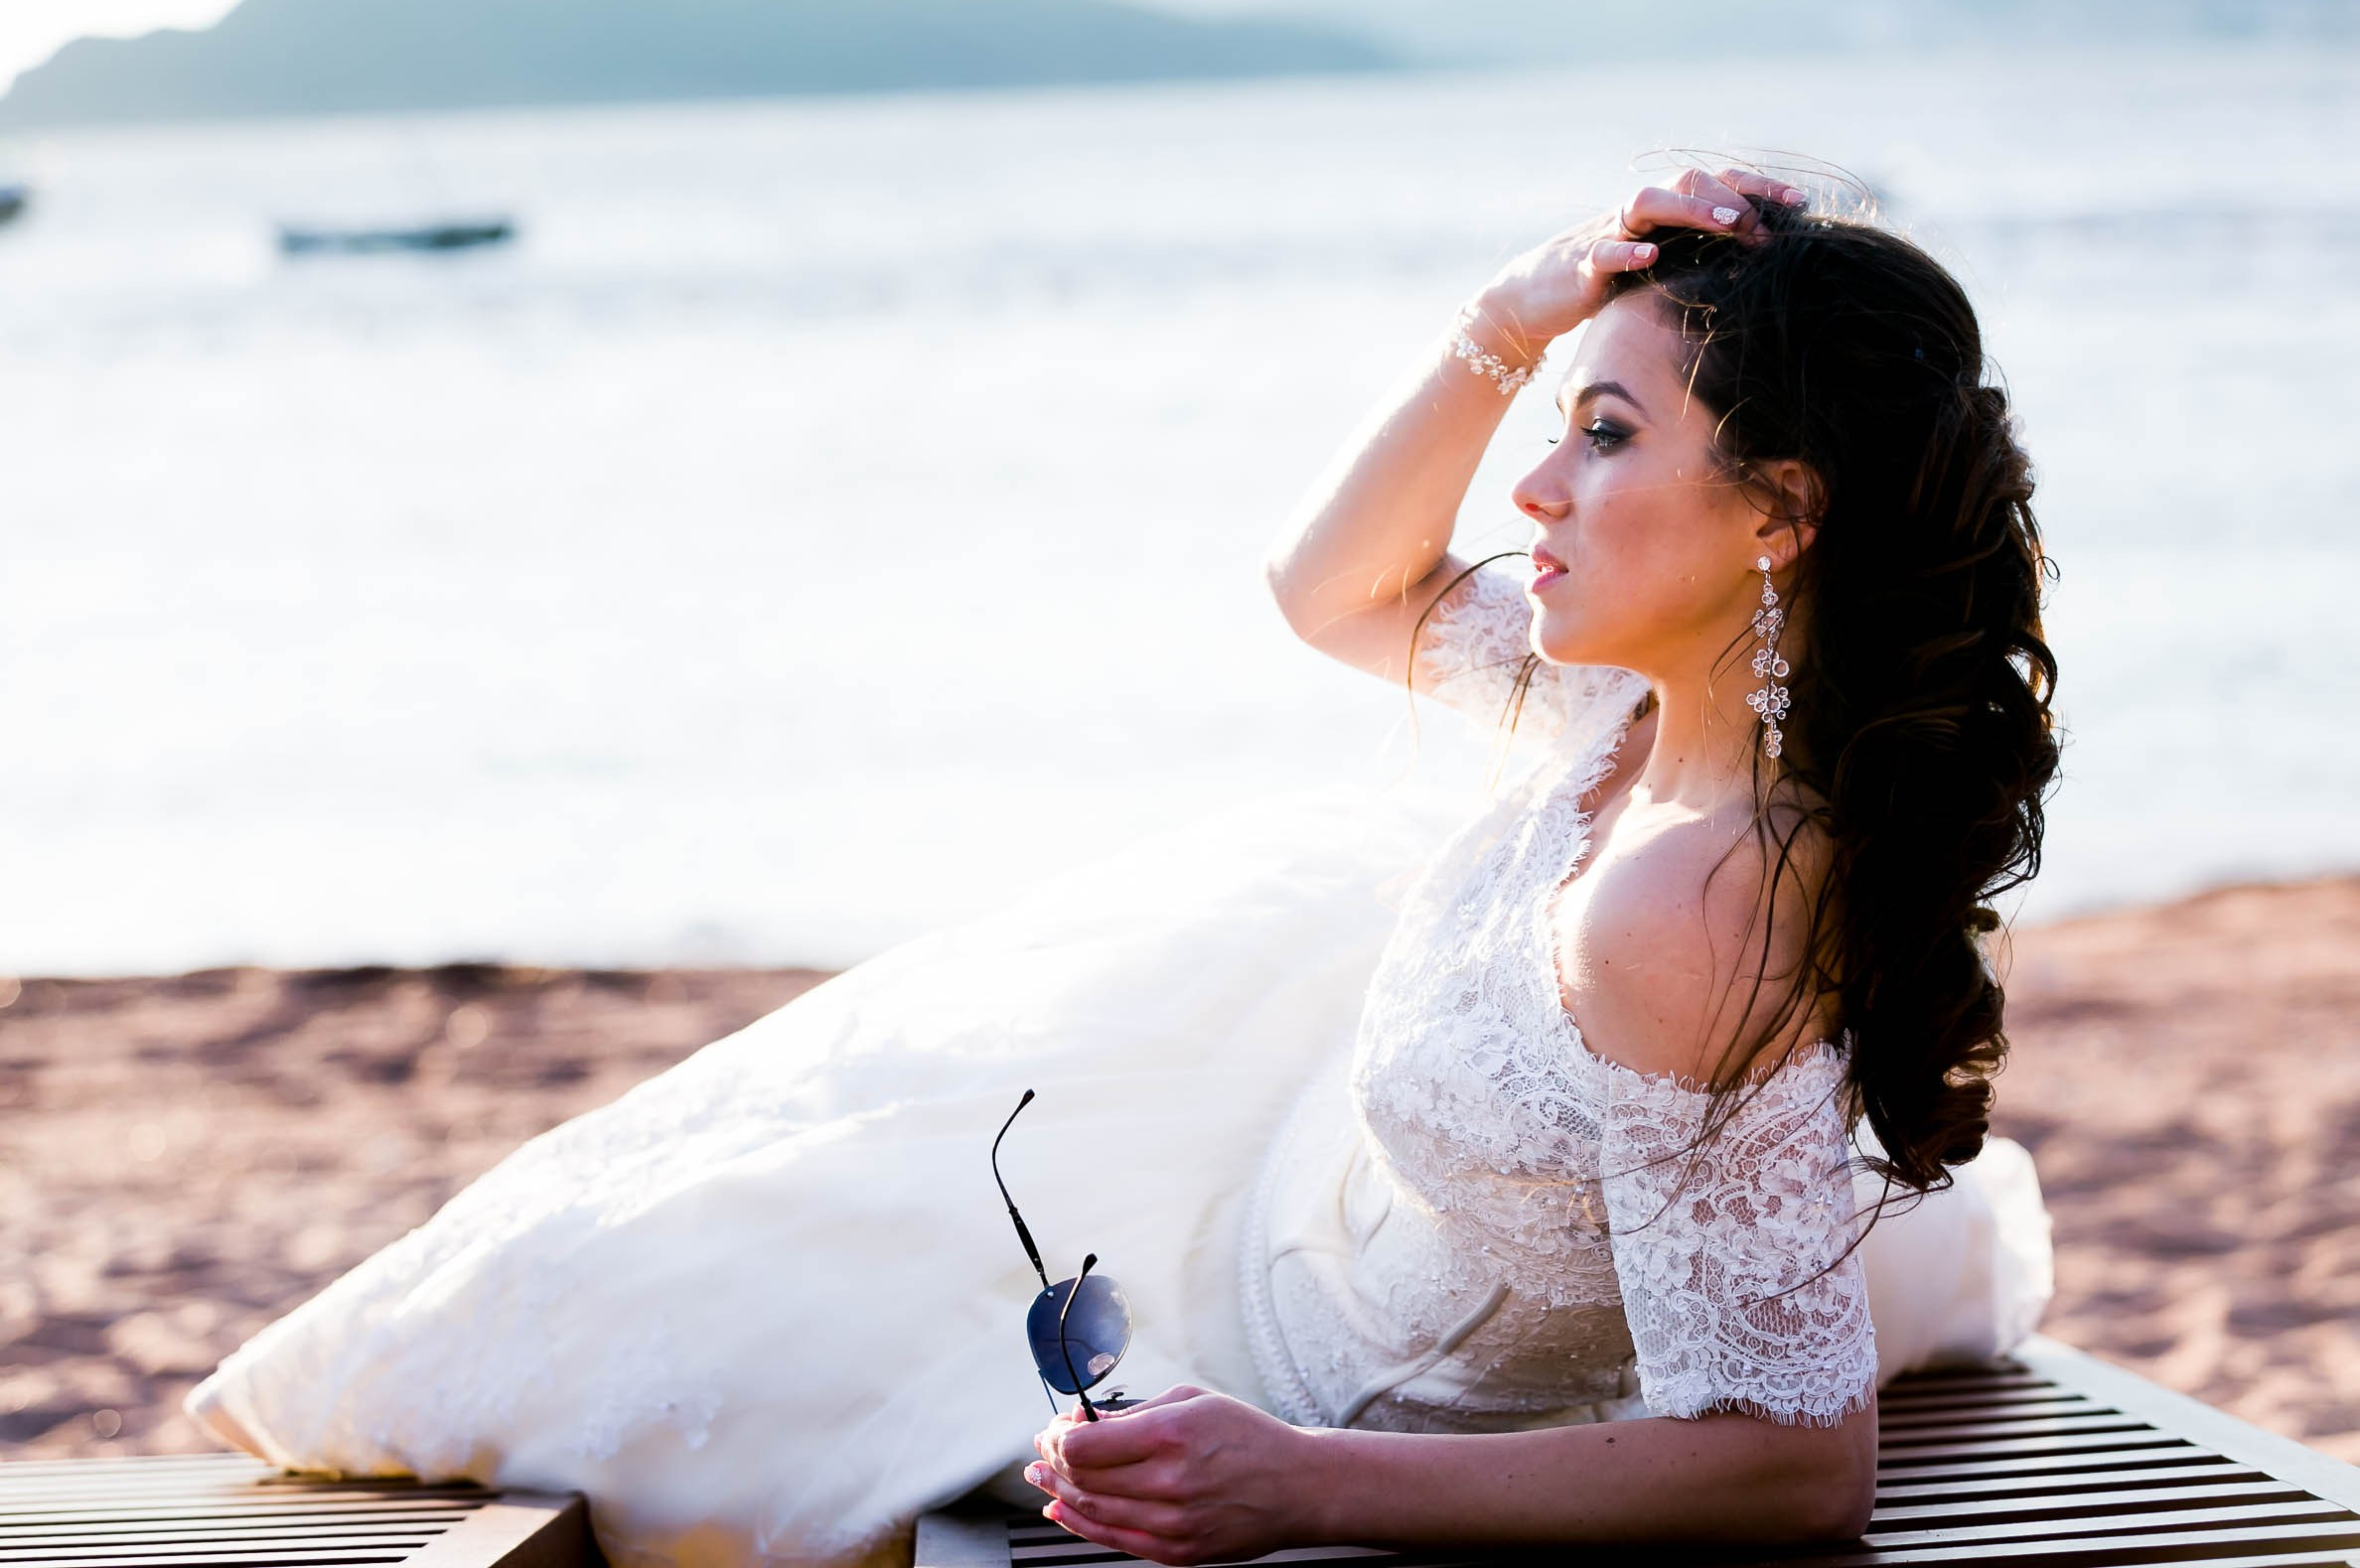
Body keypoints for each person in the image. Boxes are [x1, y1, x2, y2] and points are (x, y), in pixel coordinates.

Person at [185, 161, 2060, 1568]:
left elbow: (1793, 1462)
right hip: (1274, 1197)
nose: (1534, 485)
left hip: (1327, 1387)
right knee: (774, 1185)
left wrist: (1294, 1479)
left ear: (1781, 519)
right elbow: (1334, 591)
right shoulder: (1629, 710)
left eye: (1606, 430)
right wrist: (1512, 316)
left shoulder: (1698, 902)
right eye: (1559, 420)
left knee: (719, 1315)